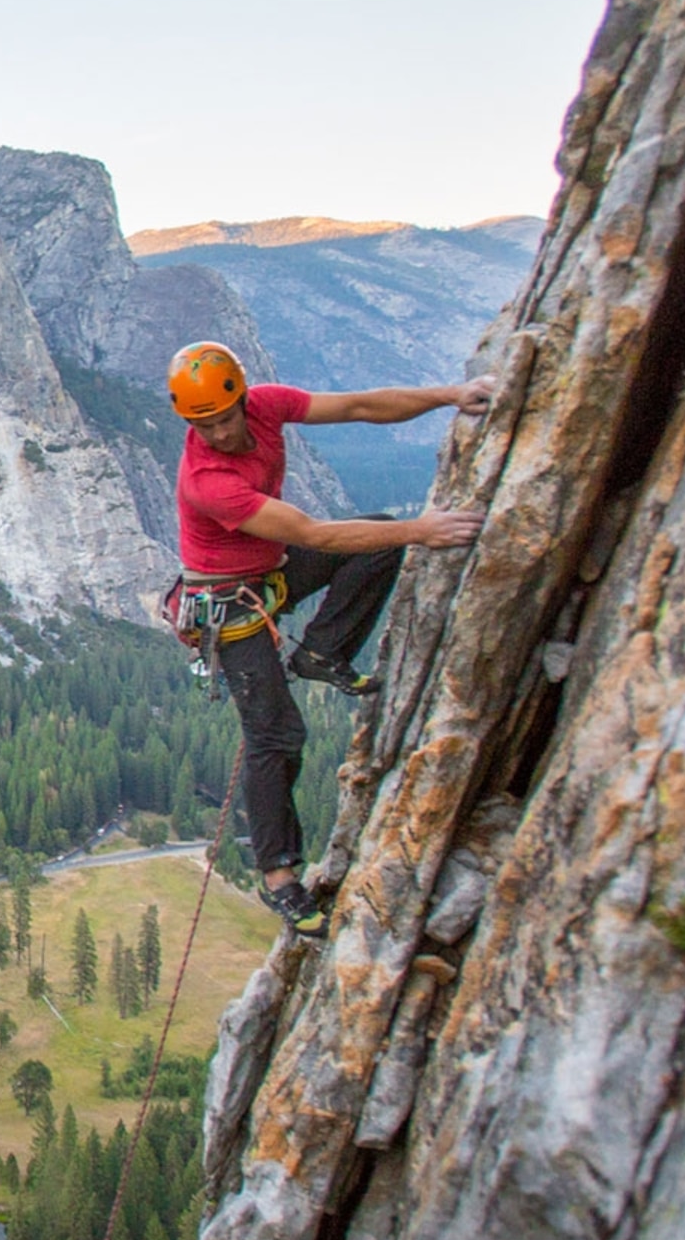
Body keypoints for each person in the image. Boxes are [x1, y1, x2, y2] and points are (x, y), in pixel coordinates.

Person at [166, 341, 493, 935]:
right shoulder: (208, 482)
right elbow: (314, 532)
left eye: (220, 418)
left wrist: (450, 397)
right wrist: (427, 531)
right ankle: (279, 878)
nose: (213, 434)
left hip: (267, 575)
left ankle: (322, 652)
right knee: (276, 734)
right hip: (229, 608)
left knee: (380, 537)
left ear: (241, 398)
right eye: (201, 425)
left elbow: (361, 406)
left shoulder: (266, 407)